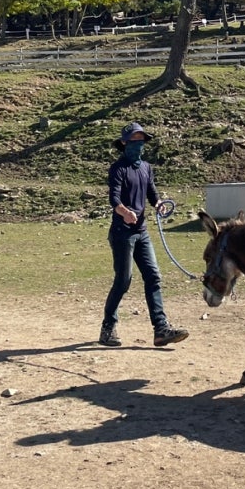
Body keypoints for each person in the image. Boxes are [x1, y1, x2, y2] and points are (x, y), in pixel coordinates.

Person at [99, 122, 189, 348]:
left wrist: (158, 204)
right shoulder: (118, 168)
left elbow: (152, 193)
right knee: (123, 280)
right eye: (134, 141)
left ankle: (161, 329)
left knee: (153, 276)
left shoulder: (146, 168)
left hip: (142, 232)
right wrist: (124, 212)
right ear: (124, 144)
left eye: (141, 141)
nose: (138, 145)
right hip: (122, 233)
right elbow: (114, 200)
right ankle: (108, 327)